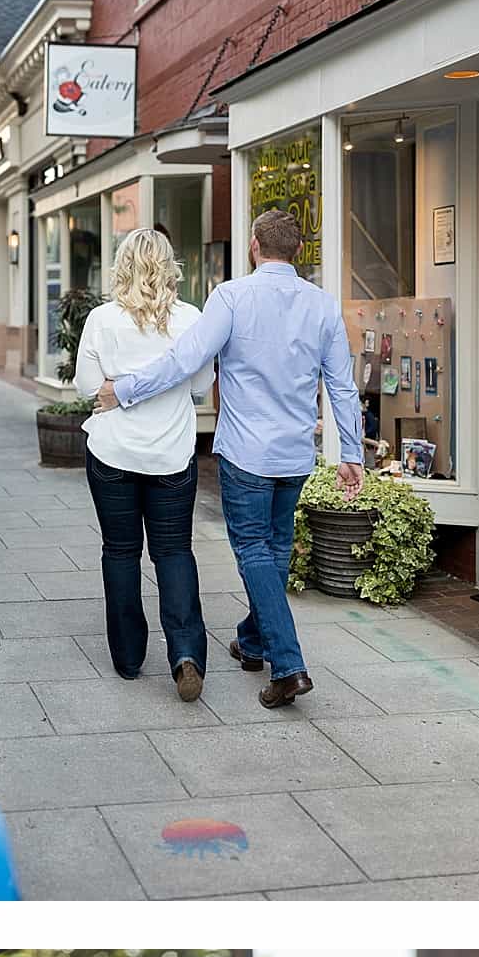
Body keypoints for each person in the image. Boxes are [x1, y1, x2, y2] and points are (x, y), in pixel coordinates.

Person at [92, 207, 365, 709]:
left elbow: (184, 362)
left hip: (246, 453)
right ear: (297, 252)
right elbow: (342, 386)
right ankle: (254, 640)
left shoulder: (232, 297)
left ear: (255, 246)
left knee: (256, 552)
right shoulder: (323, 306)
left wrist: (123, 389)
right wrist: (351, 452)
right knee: (277, 548)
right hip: (295, 454)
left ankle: (288, 665)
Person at [71, 228, 218, 699]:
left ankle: (130, 658)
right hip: (171, 454)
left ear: (123, 265)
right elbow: (198, 387)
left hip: (112, 451)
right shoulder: (191, 319)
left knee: (120, 550)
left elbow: (88, 387)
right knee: (174, 552)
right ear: (170, 265)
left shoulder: (102, 319)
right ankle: (186, 654)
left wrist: (122, 382)